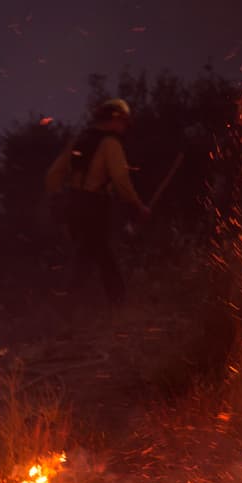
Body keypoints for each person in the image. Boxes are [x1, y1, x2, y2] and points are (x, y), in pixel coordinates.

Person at [45, 97, 151, 320]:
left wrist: (57, 200)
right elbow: (121, 180)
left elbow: (53, 174)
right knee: (102, 255)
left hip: (74, 205)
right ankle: (117, 307)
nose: (125, 126)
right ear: (114, 119)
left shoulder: (79, 140)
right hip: (95, 206)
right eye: (123, 121)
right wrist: (138, 205)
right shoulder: (110, 144)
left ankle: (68, 308)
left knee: (87, 255)